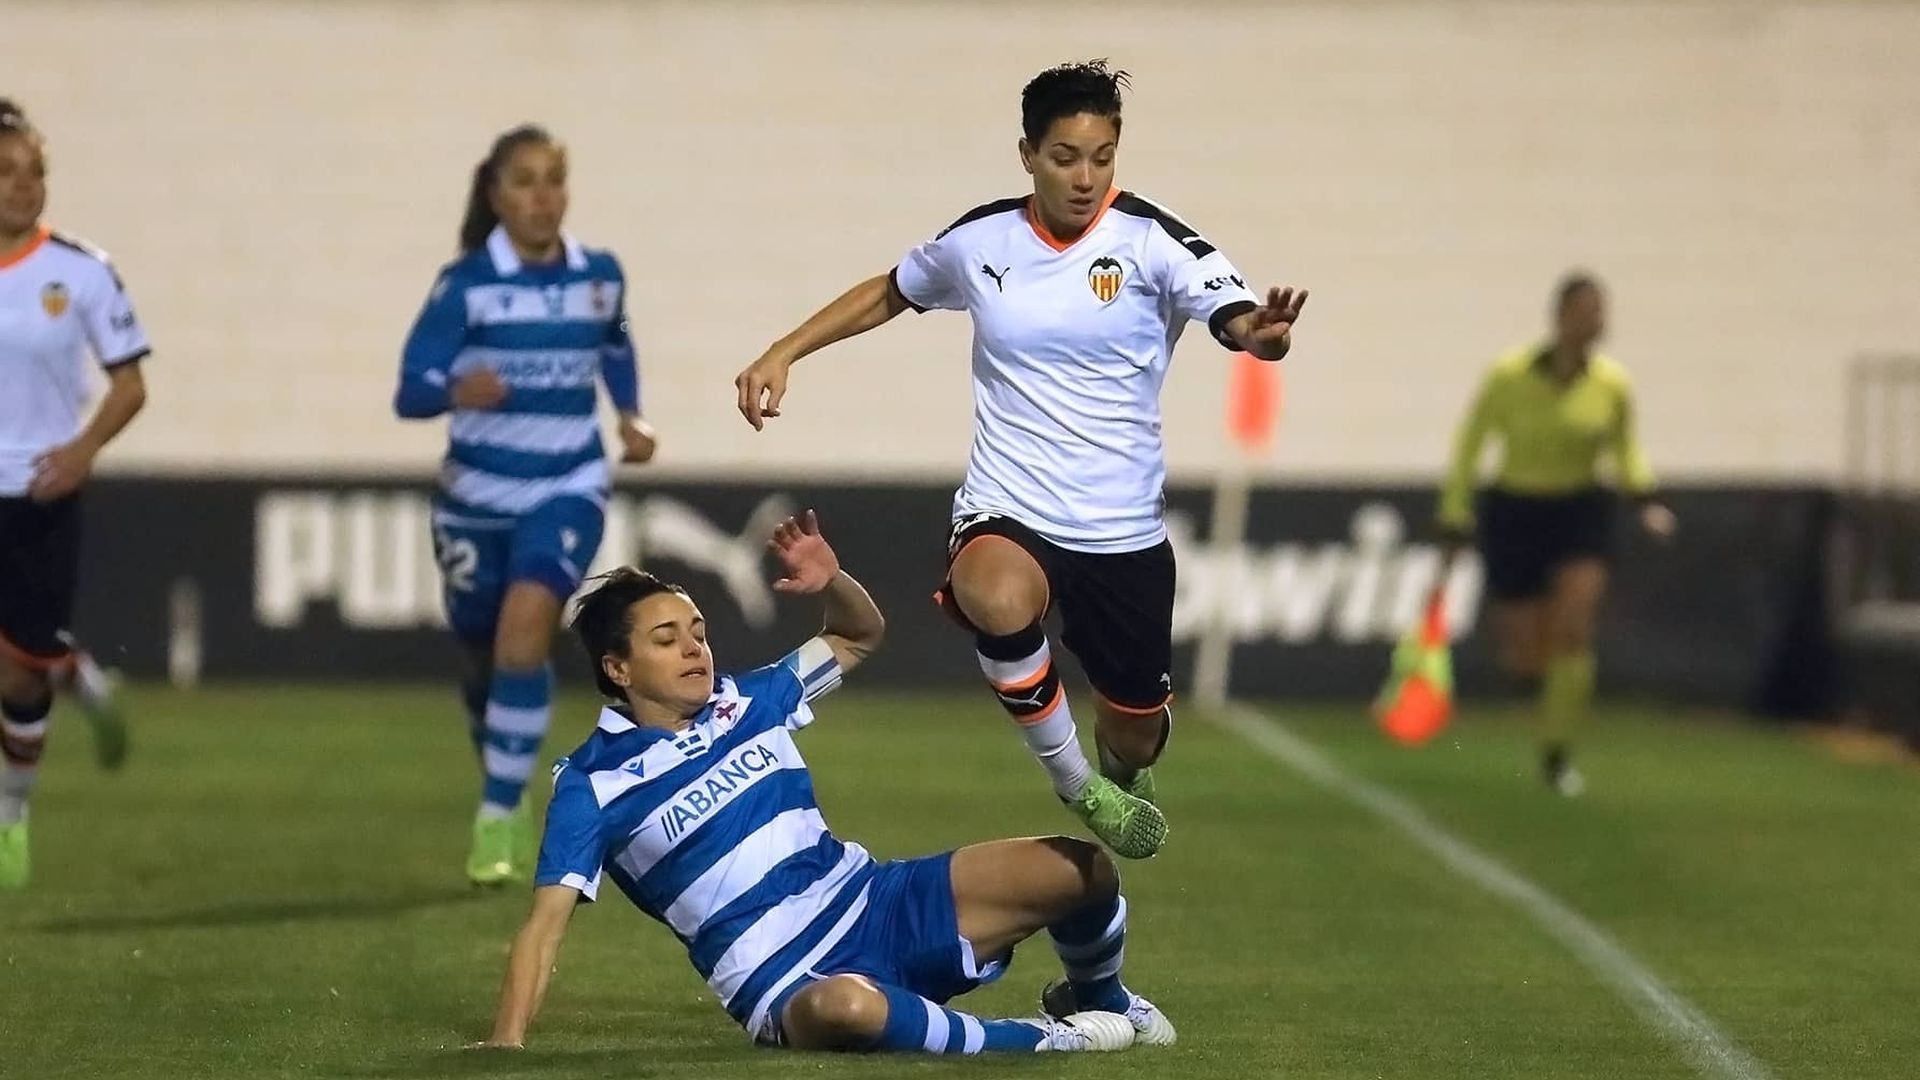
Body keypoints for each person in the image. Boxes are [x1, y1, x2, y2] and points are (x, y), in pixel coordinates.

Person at [732, 60, 1307, 859]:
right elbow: (891, 290)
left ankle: (1120, 765)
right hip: (1009, 506)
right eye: (1065, 157)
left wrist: (1262, 338)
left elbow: (1238, 317)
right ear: (1028, 155)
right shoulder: (983, 241)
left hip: (1121, 531)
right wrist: (784, 350)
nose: (1085, 177)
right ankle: (1078, 786)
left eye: (1102, 157)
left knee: (1135, 732)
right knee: (994, 595)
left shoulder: (1154, 240)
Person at [478, 511, 1173, 1056]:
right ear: (618, 668)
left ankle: (1102, 1001)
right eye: (666, 639)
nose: (694, 649)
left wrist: (833, 580)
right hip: (785, 980)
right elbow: (544, 928)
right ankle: (1045, 1040)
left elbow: (857, 635)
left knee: (1081, 870)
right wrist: (504, 1047)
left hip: (875, 900)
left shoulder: (749, 699)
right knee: (850, 1007)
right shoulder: (592, 783)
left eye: (698, 631)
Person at [396, 123, 659, 885]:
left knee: (524, 633)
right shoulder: (465, 285)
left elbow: (616, 345)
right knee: (487, 658)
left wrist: (631, 416)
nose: (543, 197)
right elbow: (410, 389)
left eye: (553, 180)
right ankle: (502, 764)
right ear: (496, 195)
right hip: (473, 501)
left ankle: (498, 812)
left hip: (566, 485)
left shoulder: (600, 276)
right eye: (525, 182)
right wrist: (454, 388)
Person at [1437, 272, 1675, 795]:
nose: (1593, 321)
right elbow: (1471, 444)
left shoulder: (1612, 384)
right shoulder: (1509, 375)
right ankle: (1545, 695)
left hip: (1580, 509)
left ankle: (1558, 750)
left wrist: (1645, 500)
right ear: (1560, 316)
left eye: (1599, 311)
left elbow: (1625, 449)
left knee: (1574, 628)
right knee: (1526, 654)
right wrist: (1455, 514)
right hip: (1516, 510)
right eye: (1584, 310)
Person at [0, 99, 146, 890]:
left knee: (20, 672)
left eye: (35, 171)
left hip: (40, 491)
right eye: (6, 171)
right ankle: (76, 672)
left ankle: (12, 814)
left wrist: (84, 450)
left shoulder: (80, 271)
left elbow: (130, 384)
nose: (24, 185)